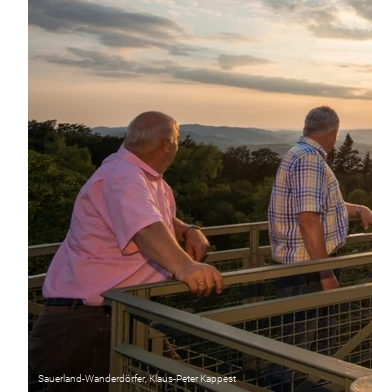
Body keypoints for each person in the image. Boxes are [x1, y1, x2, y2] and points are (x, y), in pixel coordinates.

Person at [25, 111, 224, 391]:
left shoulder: (135, 174)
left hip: (116, 316)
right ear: (167, 144)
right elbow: (144, 227)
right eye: (178, 140)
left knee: (177, 382)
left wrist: (188, 229)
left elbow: (152, 216)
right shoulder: (123, 176)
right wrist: (185, 265)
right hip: (89, 324)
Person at [266, 106, 372, 390]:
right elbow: (308, 218)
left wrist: (358, 209)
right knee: (300, 349)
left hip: (303, 269)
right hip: (307, 271)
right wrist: (324, 272)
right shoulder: (309, 161)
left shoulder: (297, 154)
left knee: (303, 344)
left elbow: (320, 205)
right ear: (332, 133)